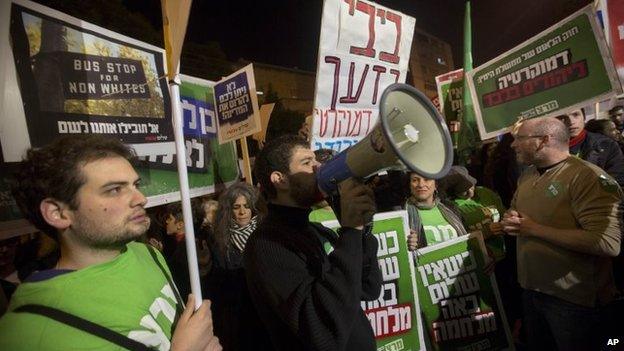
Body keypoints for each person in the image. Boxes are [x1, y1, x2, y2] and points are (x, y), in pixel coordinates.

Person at [0, 135, 220, 351]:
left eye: (135, 185)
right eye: (115, 189)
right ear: (58, 213)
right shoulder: (34, 331)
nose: (141, 198)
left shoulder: (147, 252)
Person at [245, 135, 381, 350]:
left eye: (316, 161)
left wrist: (362, 230)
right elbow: (321, 327)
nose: (319, 167)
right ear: (280, 179)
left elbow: (368, 287)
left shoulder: (315, 231)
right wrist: (350, 231)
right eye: (307, 163)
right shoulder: (266, 244)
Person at [502, 117, 622, 350]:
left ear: (543, 141)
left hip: (574, 302)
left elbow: (607, 243)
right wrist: (511, 220)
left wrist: (534, 229)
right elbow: (516, 211)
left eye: (519, 139)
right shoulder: (527, 175)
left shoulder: (588, 177)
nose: (513, 145)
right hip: (532, 294)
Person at [209, 182, 261, 350]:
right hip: (236, 316)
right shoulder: (219, 241)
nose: (242, 211)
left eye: (247, 206)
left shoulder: (265, 235)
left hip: (263, 310)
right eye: (236, 207)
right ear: (228, 210)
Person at [556, 108, 624, 186]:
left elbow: (617, 183)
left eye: (576, 115)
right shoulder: (547, 149)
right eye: (562, 118)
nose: (571, 122)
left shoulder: (606, 145)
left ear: (584, 117)